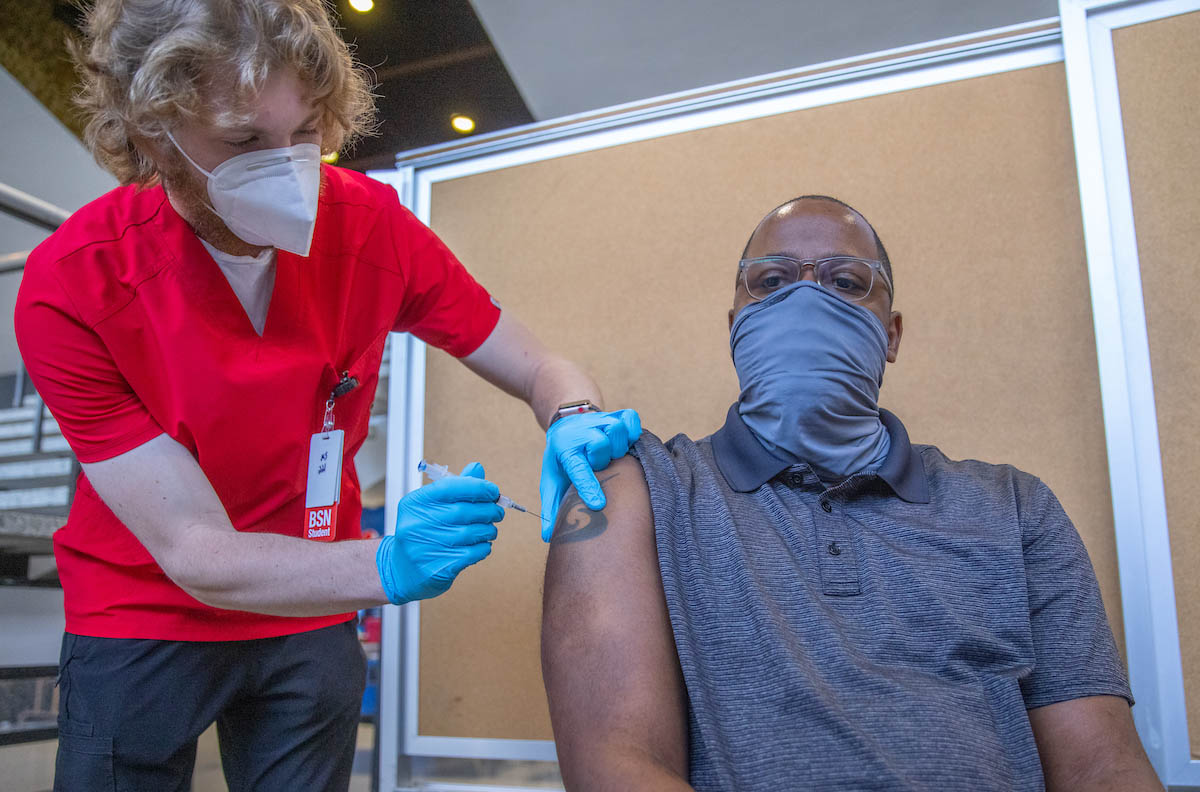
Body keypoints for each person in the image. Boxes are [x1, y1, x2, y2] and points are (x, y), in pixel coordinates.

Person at [13, 2, 638, 790]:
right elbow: (195, 552)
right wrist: (389, 562)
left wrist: (575, 416)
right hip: (142, 607)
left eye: (306, 131)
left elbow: (536, 364)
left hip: (314, 598)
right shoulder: (73, 285)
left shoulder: (370, 228)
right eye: (243, 140)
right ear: (151, 133)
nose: (287, 167)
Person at [540, 196, 1163, 791]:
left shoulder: (1014, 506)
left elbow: (1102, 769)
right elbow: (616, 766)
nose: (806, 298)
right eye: (772, 282)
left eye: (845, 283)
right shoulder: (638, 488)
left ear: (891, 335)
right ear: (735, 328)